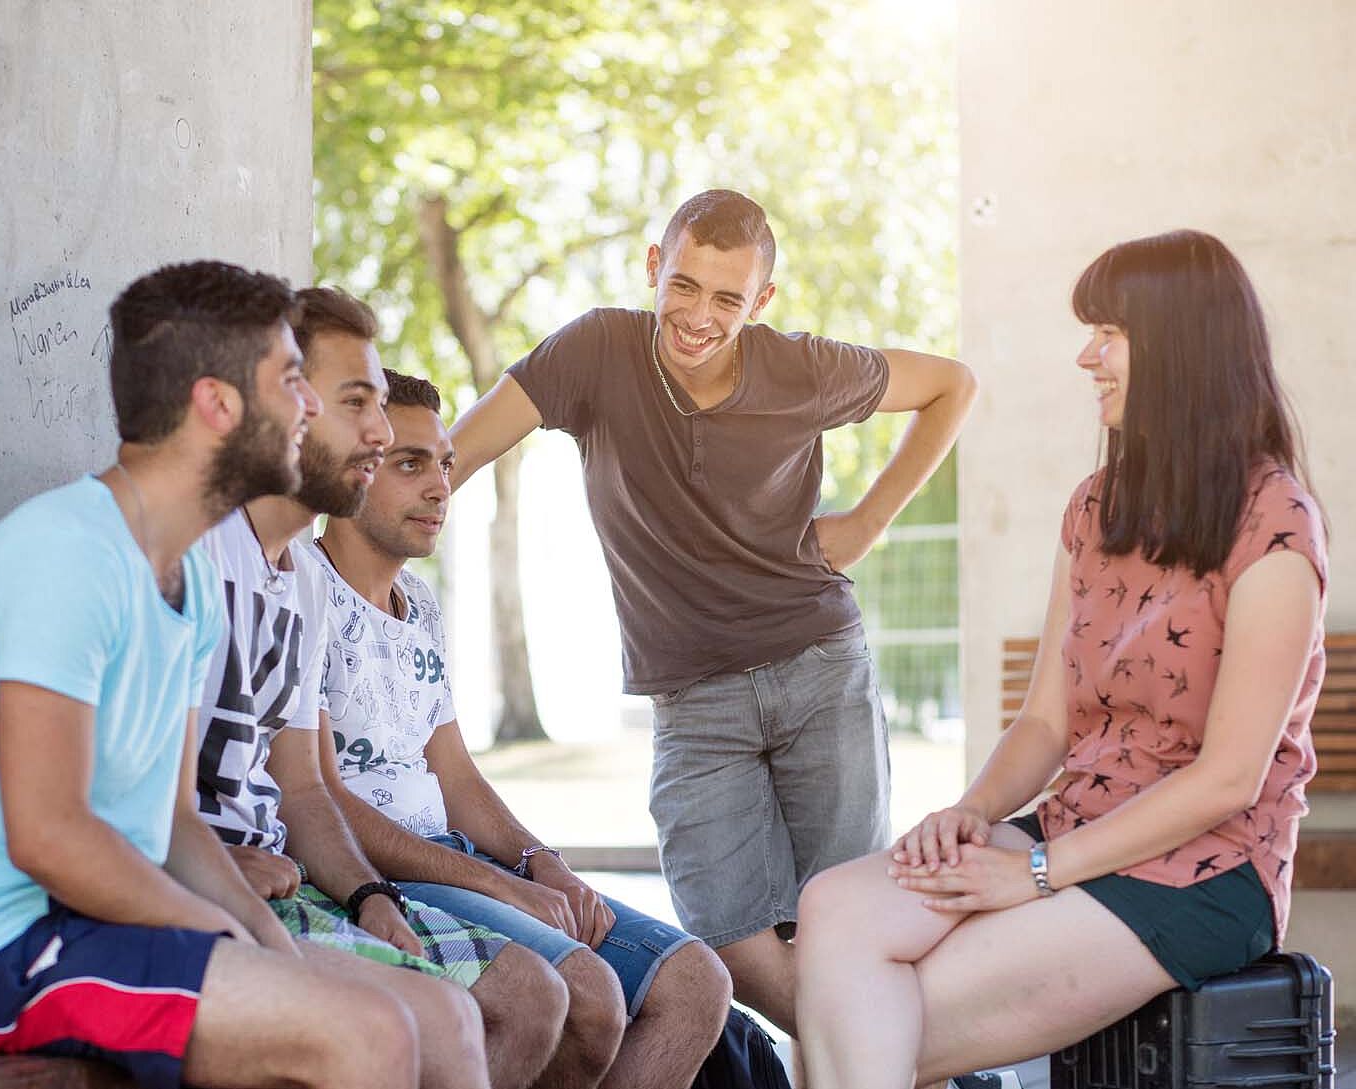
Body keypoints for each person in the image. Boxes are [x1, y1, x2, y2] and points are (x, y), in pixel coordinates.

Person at [0, 261, 483, 1089]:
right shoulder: (68, 553)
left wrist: (272, 946)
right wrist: (225, 934)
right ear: (218, 405)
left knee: (443, 1019)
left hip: (108, 926)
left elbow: (171, 823)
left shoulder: (189, 578)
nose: (311, 407)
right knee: (366, 1034)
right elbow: (49, 834)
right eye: (291, 382)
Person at [795, 229, 1329, 1088]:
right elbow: (1046, 720)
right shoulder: (1095, 508)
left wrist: (1033, 874)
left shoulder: (1274, 528)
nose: (1088, 356)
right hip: (1076, 824)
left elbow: (1230, 778)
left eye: (1109, 333)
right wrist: (971, 816)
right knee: (833, 912)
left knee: (867, 1018)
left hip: (1208, 866)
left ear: (1181, 349)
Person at [448, 189, 979, 1032]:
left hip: (820, 669)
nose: (699, 315)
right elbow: (458, 451)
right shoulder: (596, 351)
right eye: (685, 285)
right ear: (655, 267)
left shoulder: (802, 368)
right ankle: (925, 1060)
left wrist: (869, 522)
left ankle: (885, 1061)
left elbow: (951, 384)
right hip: (694, 702)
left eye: (727, 298)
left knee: (846, 926)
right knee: (727, 933)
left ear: (760, 301)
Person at [308, 370, 734, 1089]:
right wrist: (499, 885)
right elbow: (324, 801)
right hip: (373, 872)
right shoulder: (305, 589)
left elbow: (457, 772)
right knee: (587, 999)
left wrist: (541, 860)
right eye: (410, 464)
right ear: (355, 462)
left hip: (454, 856)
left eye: (444, 462)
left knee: (697, 983)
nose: (441, 486)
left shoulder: (420, 601)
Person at [192, 285, 565, 1089]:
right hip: (199, 894)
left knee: (497, 1006)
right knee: (422, 1022)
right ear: (275, 402)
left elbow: (300, 786)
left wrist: (368, 893)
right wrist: (226, 864)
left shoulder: (294, 583)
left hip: (283, 882)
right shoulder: (187, 553)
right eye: (356, 402)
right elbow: (123, 796)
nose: (378, 431)